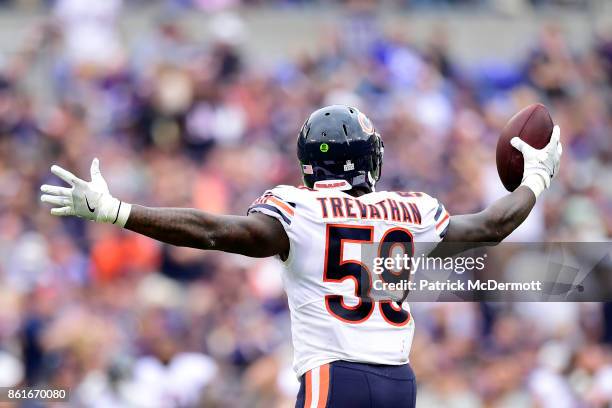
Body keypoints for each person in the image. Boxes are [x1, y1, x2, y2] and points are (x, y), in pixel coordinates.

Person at [40, 105, 562, 408]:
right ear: (370, 159)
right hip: (399, 382)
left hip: (334, 378)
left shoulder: (300, 207)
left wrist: (119, 212)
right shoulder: (413, 209)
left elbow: (215, 231)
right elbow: (494, 225)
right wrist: (537, 178)